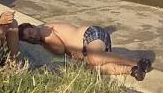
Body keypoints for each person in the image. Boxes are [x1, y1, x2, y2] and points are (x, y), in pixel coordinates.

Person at [18, 21, 151, 80]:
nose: (32, 36)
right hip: (85, 49)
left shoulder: (45, 31)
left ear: (34, 26)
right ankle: (132, 71)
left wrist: (43, 44)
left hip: (91, 35)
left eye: (30, 32)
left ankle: (137, 62)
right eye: (28, 38)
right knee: (94, 69)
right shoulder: (42, 37)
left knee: (95, 59)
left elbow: (59, 49)